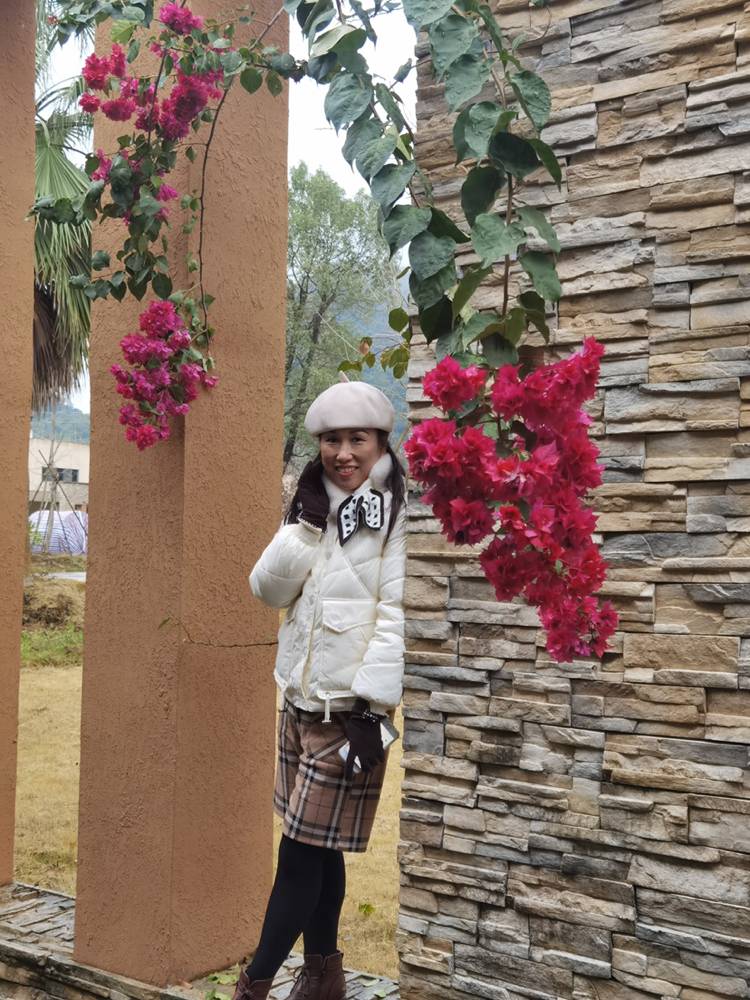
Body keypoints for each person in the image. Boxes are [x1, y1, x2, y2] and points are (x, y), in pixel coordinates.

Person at [235, 380, 407, 1000]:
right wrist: (304, 526)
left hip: (348, 716)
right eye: (332, 440)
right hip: (300, 703)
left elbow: (395, 614)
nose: (343, 453)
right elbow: (268, 591)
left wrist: (373, 706)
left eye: (357, 439)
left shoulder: (398, 513)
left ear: (380, 441)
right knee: (320, 849)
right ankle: (323, 978)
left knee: (298, 857)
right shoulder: (311, 505)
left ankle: (253, 985)